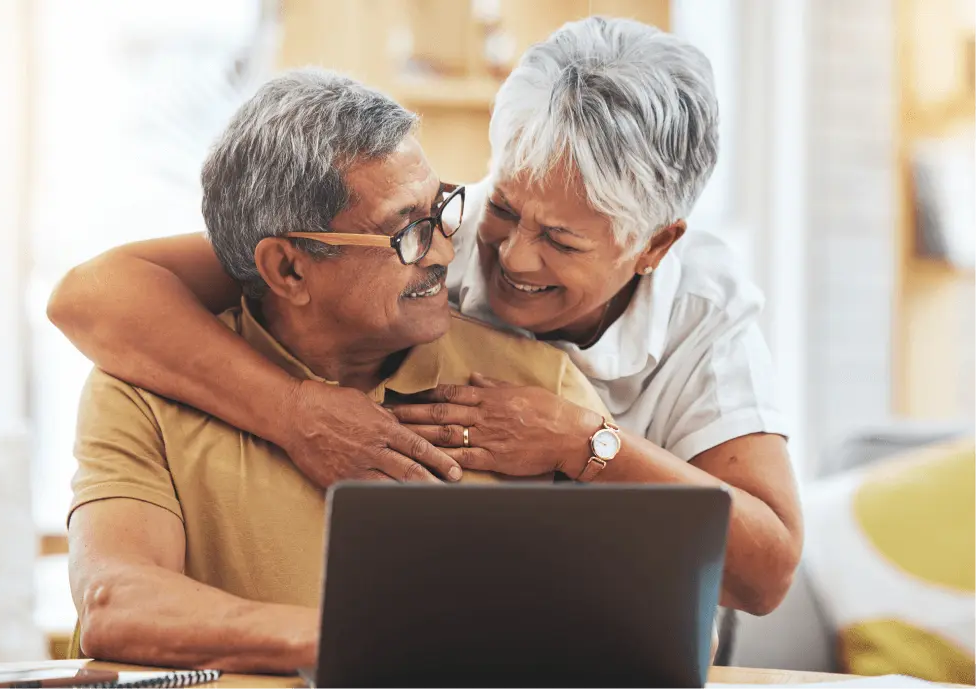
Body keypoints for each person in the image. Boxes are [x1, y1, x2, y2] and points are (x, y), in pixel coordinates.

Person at [51, 17, 802, 617]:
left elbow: (764, 572)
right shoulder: (432, 222)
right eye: (503, 208)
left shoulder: (700, 313)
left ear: (654, 246)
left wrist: (586, 443)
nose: (511, 256)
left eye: (563, 240)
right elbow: (99, 294)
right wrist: (296, 412)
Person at [66, 68, 614, 672]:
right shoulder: (142, 390)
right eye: (406, 230)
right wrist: (365, 639)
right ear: (289, 271)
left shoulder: (541, 389)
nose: (442, 252)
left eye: (441, 211)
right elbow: (117, 604)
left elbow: (648, 621)